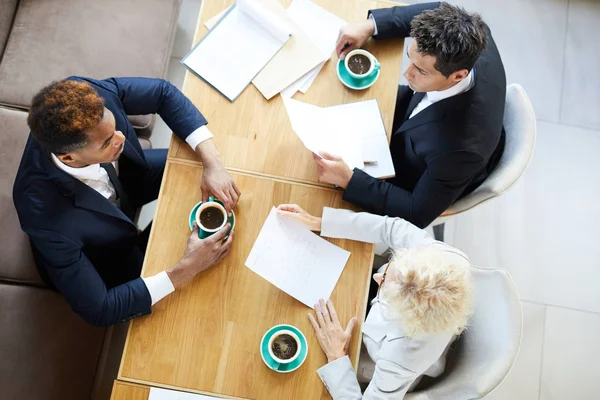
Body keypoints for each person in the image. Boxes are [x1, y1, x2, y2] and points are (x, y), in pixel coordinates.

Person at [13, 77, 240, 326]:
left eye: (114, 128)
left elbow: (162, 92)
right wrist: (186, 268)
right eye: (108, 142)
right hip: (103, 255)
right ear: (68, 157)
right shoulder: (44, 217)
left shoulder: (88, 98)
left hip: (130, 181)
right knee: (201, 293)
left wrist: (213, 163)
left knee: (198, 165)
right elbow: (99, 310)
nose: (122, 137)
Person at [314, 2, 506, 228]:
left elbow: (416, 212)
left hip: (421, 170)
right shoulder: (477, 32)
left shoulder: (460, 151)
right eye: (409, 57)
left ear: (457, 76)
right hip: (416, 120)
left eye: (421, 70)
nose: (406, 73)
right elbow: (439, 8)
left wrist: (349, 179)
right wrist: (369, 26)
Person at [276, 204, 473, 399]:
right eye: (389, 270)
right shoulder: (441, 259)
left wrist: (337, 356)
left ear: (402, 313)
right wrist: (319, 222)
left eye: (386, 284)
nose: (378, 278)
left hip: (371, 361)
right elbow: (390, 228)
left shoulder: (400, 356)